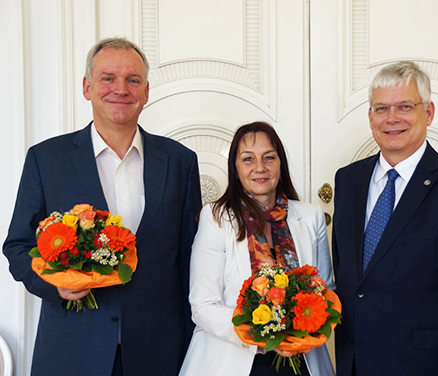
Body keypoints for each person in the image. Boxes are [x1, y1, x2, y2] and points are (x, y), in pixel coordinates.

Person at [3, 37, 202, 376]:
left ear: (146, 91)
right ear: (87, 87)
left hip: (159, 350)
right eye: (108, 78)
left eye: (132, 80)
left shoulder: (180, 162)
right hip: (73, 347)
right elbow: (18, 246)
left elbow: (190, 259)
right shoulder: (46, 159)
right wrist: (56, 286)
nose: (120, 89)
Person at [332, 61, 438, 376]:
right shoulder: (348, 180)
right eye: (381, 108)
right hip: (353, 365)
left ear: (429, 112)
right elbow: (349, 276)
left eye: (405, 106)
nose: (392, 118)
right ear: (370, 117)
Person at [179, 122, 335, 376]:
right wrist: (266, 335)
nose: (260, 168)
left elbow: (326, 293)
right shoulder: (215, 218)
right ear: (236, 167)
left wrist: (299, 336)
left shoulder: (311, 216)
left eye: (269, 158)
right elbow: (202, 305)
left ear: (280, 164)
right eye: (248, 159)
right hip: (236, 359)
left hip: (302, 358)